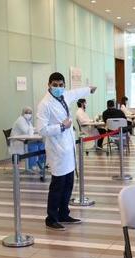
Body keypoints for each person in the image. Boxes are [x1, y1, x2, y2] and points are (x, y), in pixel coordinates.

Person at [36, 72, 96, 231]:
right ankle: (51, 218)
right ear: (48, 85)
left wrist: (89, 89)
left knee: (69, 183)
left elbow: (76, 93)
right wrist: (61, 126)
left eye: (61, 85)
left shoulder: (63, 96)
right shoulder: (44, 104)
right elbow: (41, 129)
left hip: (68, 148)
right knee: (58, 185)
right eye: (54, 85)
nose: (58, 87)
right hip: (57, 149)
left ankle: (64, 213)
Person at [11, 107, 45, 180]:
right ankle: (31, 166)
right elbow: (27, 131)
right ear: (23, 113)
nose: (28, 114)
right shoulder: (20, 120)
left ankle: (41, 163)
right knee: (34, 146)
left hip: (26, 140)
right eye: (27, 112)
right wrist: (34, 129)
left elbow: (31, 130)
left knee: (41, 144)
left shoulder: (27, 121)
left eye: (30, 113)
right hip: (18, 142)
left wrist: (37, 129)